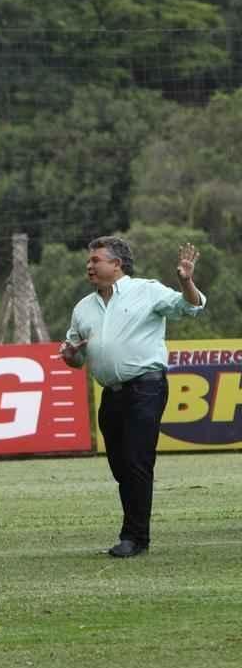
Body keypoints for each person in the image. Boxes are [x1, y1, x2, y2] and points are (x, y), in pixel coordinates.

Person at [60, 237, 204, 557]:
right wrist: (70, 355)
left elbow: (191, 307)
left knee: (137, 460)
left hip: (146, 388)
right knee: (121, 466)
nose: (89, 265)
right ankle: (135, 535)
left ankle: (135, 538)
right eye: (89, 260)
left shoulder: (147, 290)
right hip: (110, 394)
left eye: (96, 260)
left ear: (117, 264)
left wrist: (186, 281)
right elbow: (75, 356)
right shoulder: (82, 307)